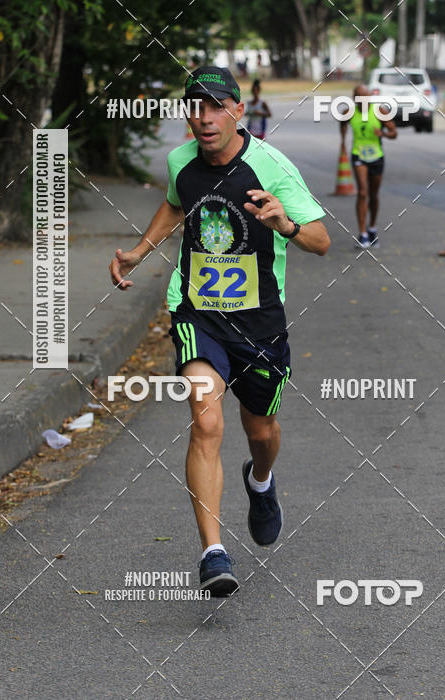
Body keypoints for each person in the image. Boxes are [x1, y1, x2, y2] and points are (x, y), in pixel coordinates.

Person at [109, 65, 330, 598]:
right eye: (194, 108)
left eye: (214, 108)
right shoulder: (181, 160)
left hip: (259, 324)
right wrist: (141, 250)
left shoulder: (272, 167)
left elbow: (321, 241)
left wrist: (287, 226)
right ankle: (212, 552)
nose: (203, 119)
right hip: (198, 313)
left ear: (238, 110)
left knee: (262, 432)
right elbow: (176, 201)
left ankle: (261, 481)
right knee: (205, 418)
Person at [340, 83, 397, 249]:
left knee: (374, 194)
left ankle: (372, 228)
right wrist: (343, 142)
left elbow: (394, 133)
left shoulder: (379, 112)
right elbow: (342, 124)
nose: (362, 100)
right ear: (354, 99)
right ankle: (363, 233)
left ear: (370, 97)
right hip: (359, 154)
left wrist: (384, 134)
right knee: (363, 192)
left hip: (376, 156)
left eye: (365, 96)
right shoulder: (349, 113)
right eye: (359, 97)